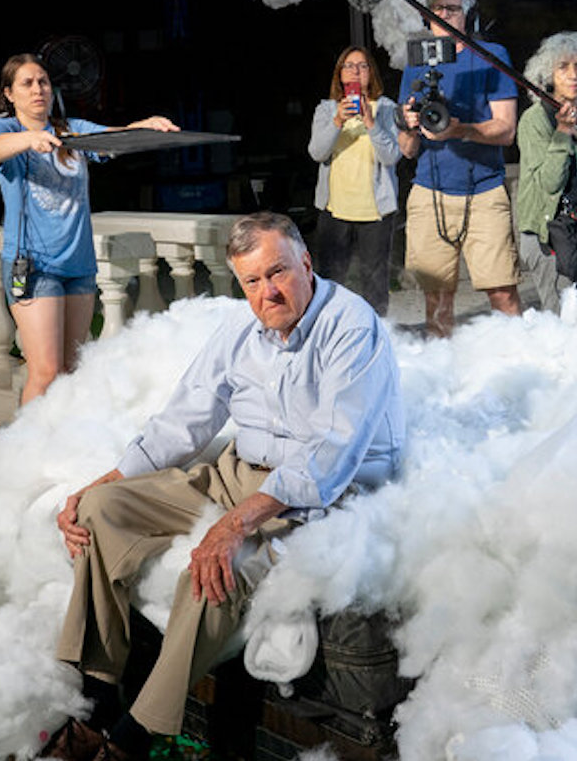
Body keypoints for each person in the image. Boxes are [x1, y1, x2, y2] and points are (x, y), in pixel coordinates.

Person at [41, 212, 405, 761]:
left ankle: (131, 740)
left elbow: (331, 456)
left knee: (213, 573)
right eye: (252, 282)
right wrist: (106, 481)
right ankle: (96, 708)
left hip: (313, 499)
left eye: (277, 272)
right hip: (235, 475)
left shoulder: (351, 327)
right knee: (100, 510)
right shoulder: (239, 329)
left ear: (306, 263)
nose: (268, 292)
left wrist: (233, 526)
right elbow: (183, 422)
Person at [0, 54, 177, 405]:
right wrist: (30, 140)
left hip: (79, 267)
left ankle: (62, 450)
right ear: (9, 93)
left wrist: (142, 127)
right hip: (35, 267)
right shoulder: (4, 130)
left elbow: (111, 137)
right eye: (27, 83)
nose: (38, 89)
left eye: (43, 81)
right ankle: (27, 452)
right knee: (45, 371)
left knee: (71, 371)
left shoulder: (70, 129)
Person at [396, 0, 523, 337]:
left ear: (468, 15)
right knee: (436, 300)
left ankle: (521, 365)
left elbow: (506, 129)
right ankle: (443, 375)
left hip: (483, 190)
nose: (444, 15)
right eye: (436, 9)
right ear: (426, 17)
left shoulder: (490, 56)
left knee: (502, 292)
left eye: (452, 8)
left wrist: (460, 129)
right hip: (428, 192)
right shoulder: (415, 66)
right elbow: (408, 149)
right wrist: (407, 126)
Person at [515, 31, 577, 307]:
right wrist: (562, 132)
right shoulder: (535, 120)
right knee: (563, 321)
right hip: (552, 236)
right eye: (563, 67)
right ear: (548, 74)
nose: (574, 75)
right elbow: (550, 182)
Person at [307, 46, 400, 315]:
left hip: (375, 212)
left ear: (372, 73)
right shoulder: (326, 110)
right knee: (329, 281)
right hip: (335, 210)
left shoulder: (386, 109)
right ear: (340, 74)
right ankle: (330, 335)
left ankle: (376, 336)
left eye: (362, 66)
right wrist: (337, 121)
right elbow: (316, 152)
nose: (356, 71)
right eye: (349, 66)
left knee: (375, 282)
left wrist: (371, 123)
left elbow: (391, 156)